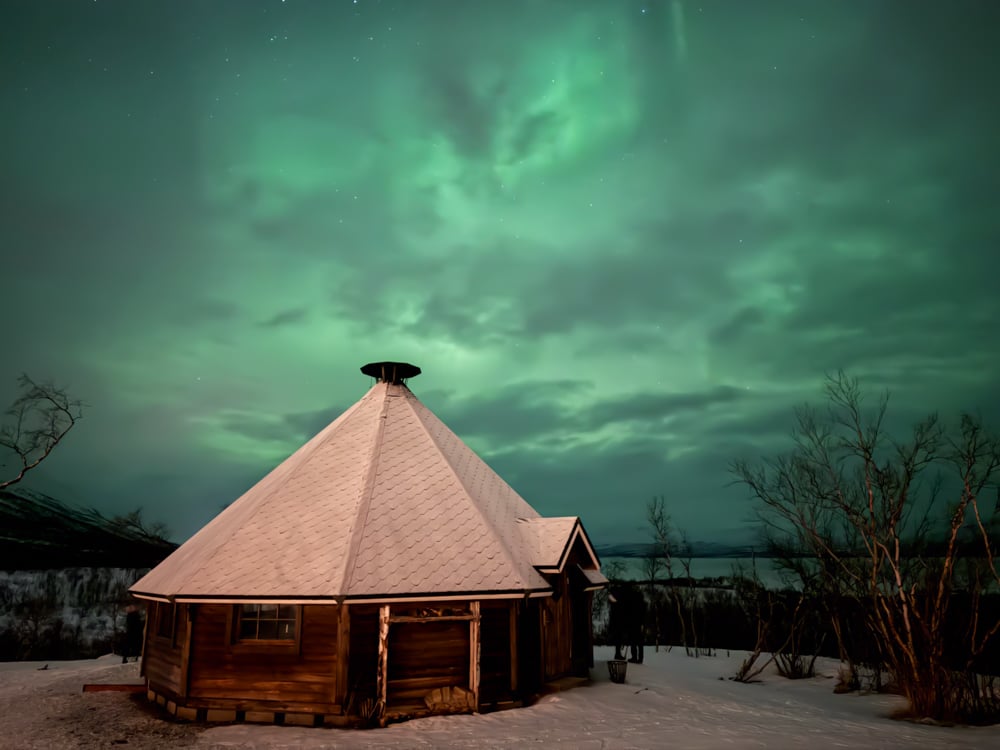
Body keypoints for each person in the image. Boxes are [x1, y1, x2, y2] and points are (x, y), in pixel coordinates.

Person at [628, 587, 647, 664]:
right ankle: (639, 658)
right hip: (639, 625)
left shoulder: (635, 604)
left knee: (634, 643)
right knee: (639, 643)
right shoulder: (642, 604)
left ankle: (635, 658)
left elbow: (632, 615)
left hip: (635, 625)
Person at [607, 585, 627, 660]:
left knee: (618, 639)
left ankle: (618, 653)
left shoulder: (615, 600)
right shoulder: (616, 601)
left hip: (617, 622)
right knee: (618, 639)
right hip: (617, 622)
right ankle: (617, 654)